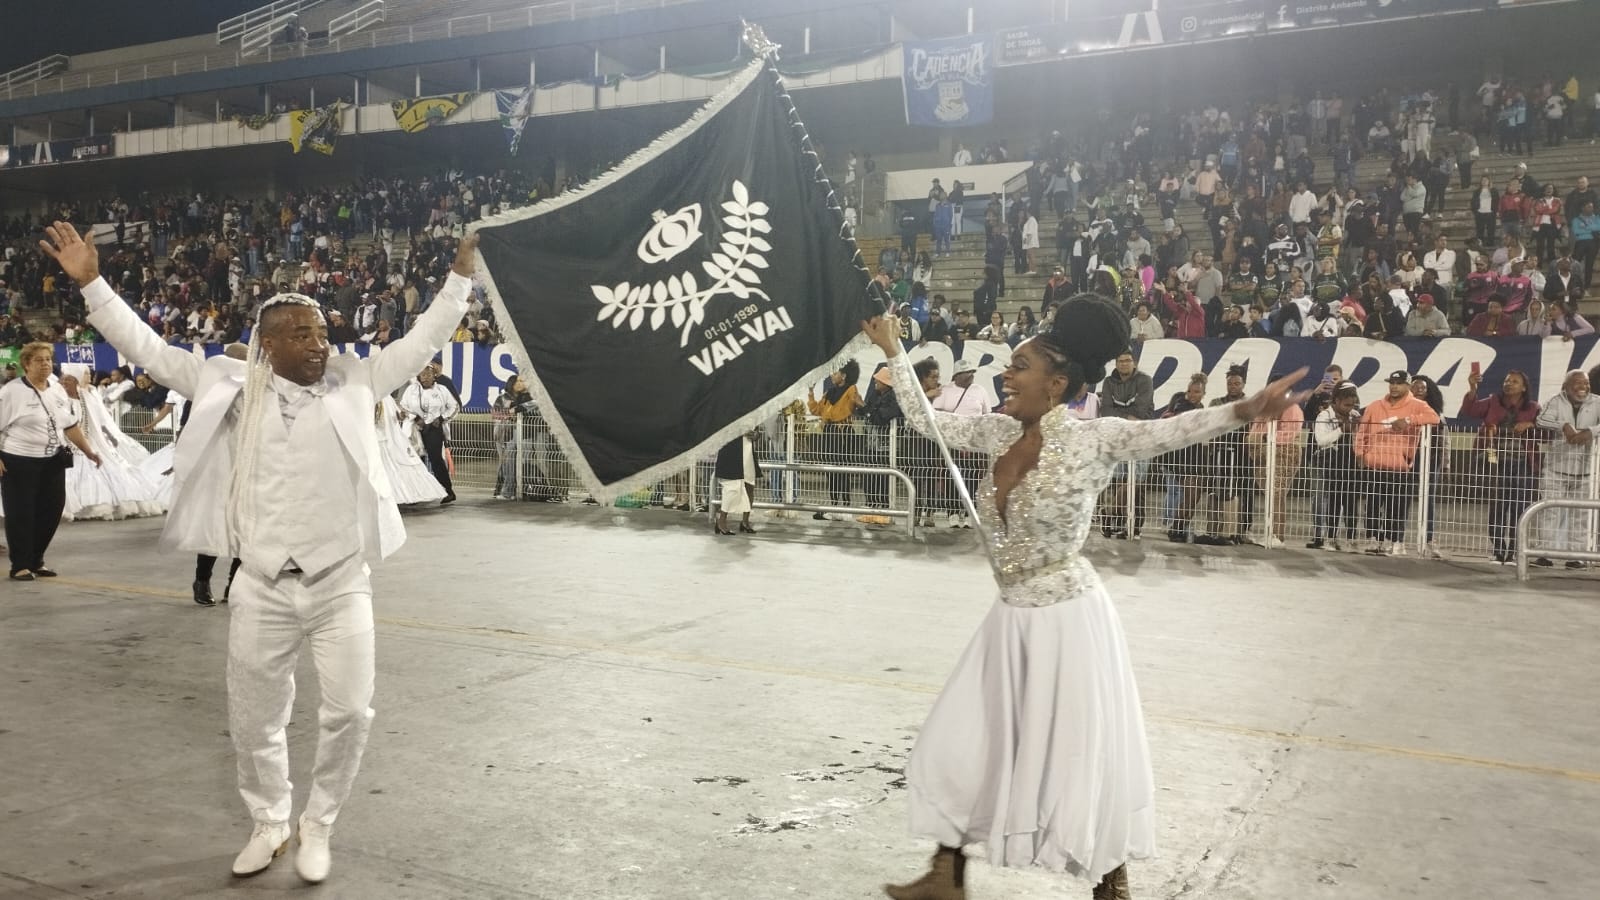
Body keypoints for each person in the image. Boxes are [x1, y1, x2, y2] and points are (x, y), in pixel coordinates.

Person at [47, 222, 475, 883]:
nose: (319, 344)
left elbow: (426, 336)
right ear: (265, 344)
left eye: (323, 333)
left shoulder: (359, 382)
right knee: (255, 715)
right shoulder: (229, 386)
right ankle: (271, 820)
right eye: (302, 334)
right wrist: (93, 284)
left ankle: (319, 824)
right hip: (262, 585)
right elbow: (151, 350)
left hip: (340, 583)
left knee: (351, 710)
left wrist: (460, 277)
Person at [865, 296, 1308, 900]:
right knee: (965, 734)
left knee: (1081, 752)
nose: (1006, 375)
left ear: (1058, 384)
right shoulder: (996, 432)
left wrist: (1246, 409)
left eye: (1019, 367)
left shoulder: (1094, 439)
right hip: (1010, 617)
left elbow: (1170, 431)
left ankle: (1111, 883)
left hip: (1068, 618)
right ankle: (947, 871)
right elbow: (928, 421)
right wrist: (893, 349)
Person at [0, 342, 103, 580]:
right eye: (39, 360)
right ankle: (20, 565)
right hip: (19, 461)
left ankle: (36, 560)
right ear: (26, 364)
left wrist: (89, 451)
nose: (45, 364)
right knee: (21, 513)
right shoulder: (11, 392)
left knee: (51, 511)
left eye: (48, 359)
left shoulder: (57, 389)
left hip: (52, 461)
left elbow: (69, 425)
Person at [1354, 370, 1442, 556]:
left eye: (1399, 383)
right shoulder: (1375, 406)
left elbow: (1434, 418)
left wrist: (1409, 420)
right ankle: (1373, 539)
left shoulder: (1418, 405)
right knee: (1372, 504)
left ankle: (1394, 540)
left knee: (1397, 506)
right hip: (1374, 462)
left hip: (1399, 465)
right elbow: (1362, 430)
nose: (1394, 386)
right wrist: (1360, 453)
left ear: (1408, 386)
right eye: (1392, 382)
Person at [1459, 369, 1540, 564]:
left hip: (1522, 464)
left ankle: (1514, 551)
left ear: (1523, 387)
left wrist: (1530, 425)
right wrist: (1472, 388)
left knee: (1519, 507)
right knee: (1497, 506)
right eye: (1506, 380)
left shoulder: (1534, 408)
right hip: (1496, 461)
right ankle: (1497, 550)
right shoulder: (1492, 401)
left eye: (1514, 381)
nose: (1508, 384)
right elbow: (1469, 410)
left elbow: (1545, 432)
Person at [1532, 370, 1599, 569]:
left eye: (1585, 383)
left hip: (1587, 469)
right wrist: (1564, 426)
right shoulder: (1555, 401)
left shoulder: (1597, 401)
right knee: (1549, 511)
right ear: (1566, 386)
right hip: (1556, 469)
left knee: (1582, 514)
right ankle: (1545, 554)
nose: (1583, 387)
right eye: (1577, 383)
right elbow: (1540, 420)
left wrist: (1591, 432)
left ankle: (1576, 557)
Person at [399, 363, 460, 504]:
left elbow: (454, 407)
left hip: (434, 428)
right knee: (415, 460)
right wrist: (415, 417)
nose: (425, 377)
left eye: (428, 374)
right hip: (415, 429)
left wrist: (441, 418)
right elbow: (403, 406)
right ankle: (416, 493)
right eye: (422, 374)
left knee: (435, 459)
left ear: (434, 375)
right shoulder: (411, 390)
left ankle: (448, 491)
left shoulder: (442, 390)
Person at [714, 430, 761, 536]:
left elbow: (756, 430)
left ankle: (745, 522)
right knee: (731, 489)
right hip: (731, 452)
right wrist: (739, 431)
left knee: (750, 486)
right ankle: (721, 521)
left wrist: (756, 435)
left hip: (748, 452)